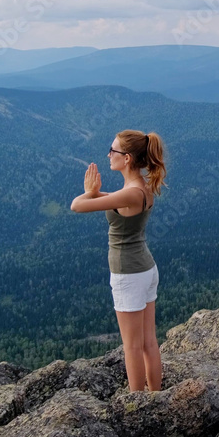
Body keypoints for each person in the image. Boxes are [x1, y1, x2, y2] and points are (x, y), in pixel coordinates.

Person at [70, 130, 168, 392]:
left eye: (112, 151)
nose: (108, 155)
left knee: (132, 345)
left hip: (128, 274)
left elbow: (76, 206)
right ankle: (155, 397)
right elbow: (110, 200)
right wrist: (95, 193)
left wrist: (89, 192)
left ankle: (135, 403)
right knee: (148, 342)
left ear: (126, 158)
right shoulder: (139, 188)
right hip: (145, 269)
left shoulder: (131, 193)